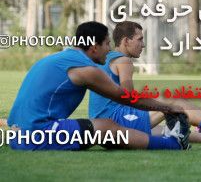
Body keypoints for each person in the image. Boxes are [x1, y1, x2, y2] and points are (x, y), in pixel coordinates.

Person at [8, 22, 189, 151]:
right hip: (35, 136)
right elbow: (127, 97)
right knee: (106, 128)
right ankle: (172, 144)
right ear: (94, 47)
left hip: (18, 133)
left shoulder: (59, 58)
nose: (110, 49)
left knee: (103, 127)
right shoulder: (85, 69)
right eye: (107, 44)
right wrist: (166, 107)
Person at [88, 21, 201, 146]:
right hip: (114, 119)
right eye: (140, 39)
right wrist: (163, 107)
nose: (143, 45)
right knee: (176, 102)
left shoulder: (105, 58)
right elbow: (129, 98)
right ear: (126, 41)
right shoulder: (124, 61)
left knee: (168, 131)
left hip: (99, 122)